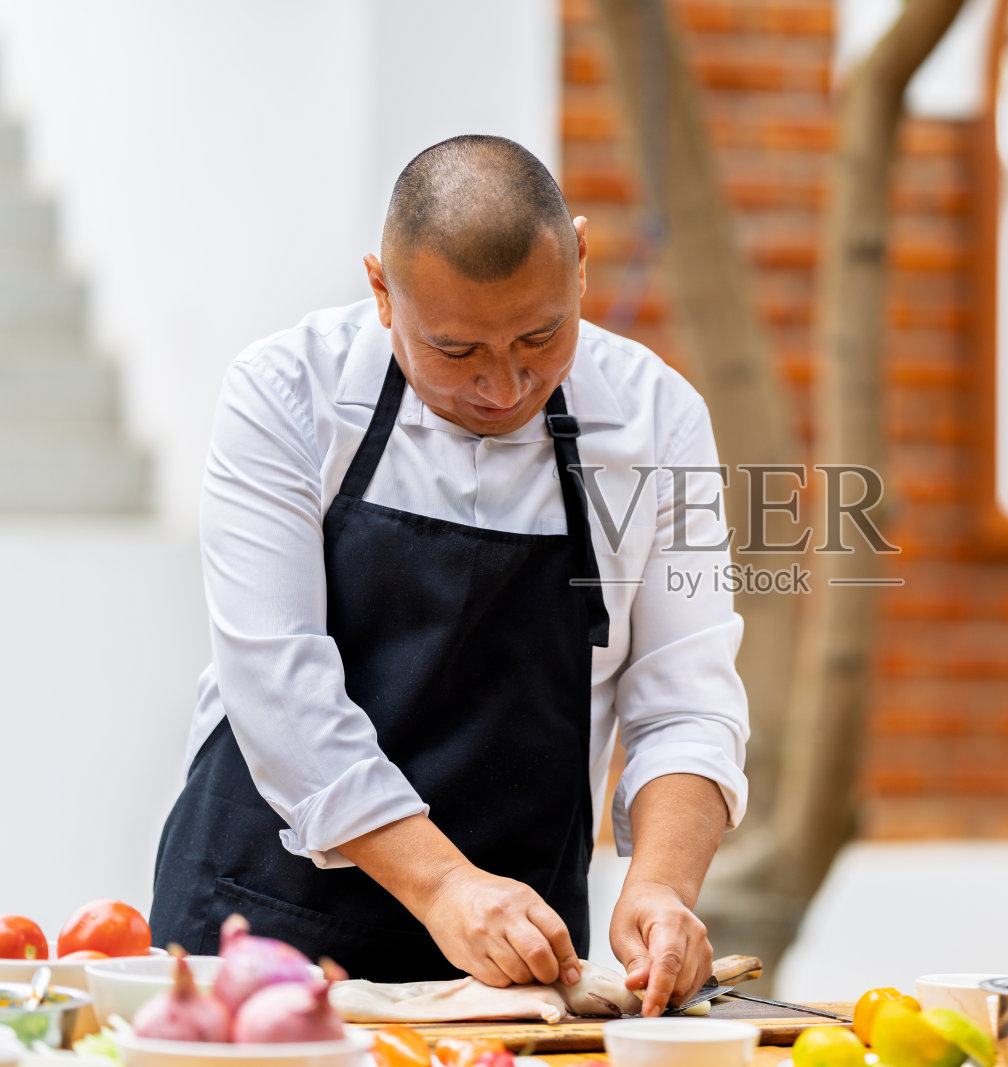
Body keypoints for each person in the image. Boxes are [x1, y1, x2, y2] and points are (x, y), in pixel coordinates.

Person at [150, 135, 748, 1017]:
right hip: (264, 933)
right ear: (383, 291)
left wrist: (661, 885)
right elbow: (277, 684)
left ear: (581, 261)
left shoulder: (662, 420)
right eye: (458, 349)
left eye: (541, 336)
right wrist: (442, 887)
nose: (505, 385)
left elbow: (688, 700)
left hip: (520, 961)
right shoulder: (285, 395)